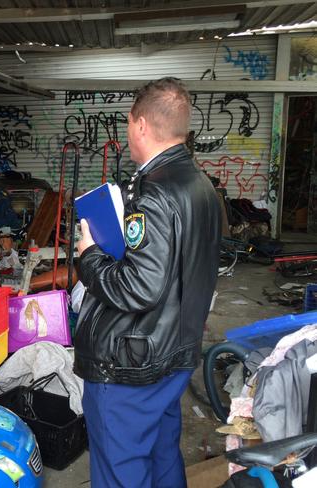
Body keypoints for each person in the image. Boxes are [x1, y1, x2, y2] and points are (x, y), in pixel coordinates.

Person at [74, 78, 221, 488]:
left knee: (121, 467)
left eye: (127, 126)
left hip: (131, 362)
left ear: (139, 124)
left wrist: (89, 254)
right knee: (161, 453)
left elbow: (138, 287)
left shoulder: (154, 194)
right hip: (174, 351)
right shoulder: (201, 185)